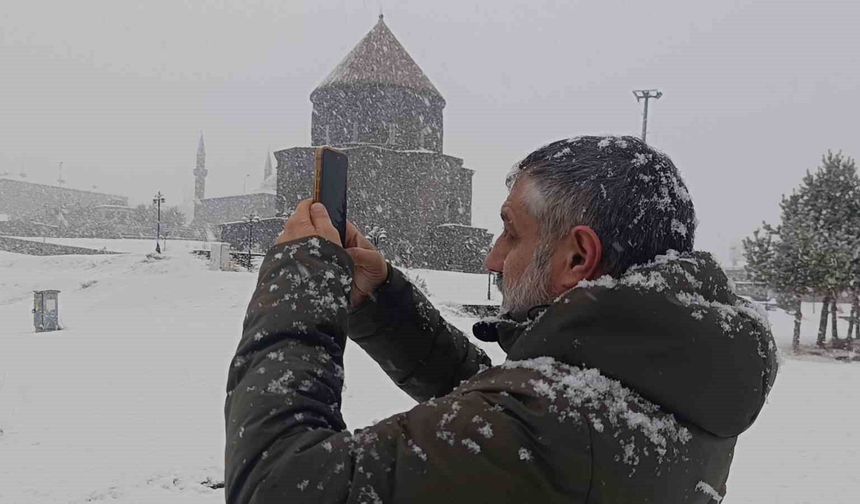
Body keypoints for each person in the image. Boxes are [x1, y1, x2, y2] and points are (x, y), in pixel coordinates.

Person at [224, 135, 777, 503]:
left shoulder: (556, 425)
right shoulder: (670, 381)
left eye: (511, 231)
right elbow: (510, 418)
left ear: (578, 258)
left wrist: (300, 282)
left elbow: (278, 484)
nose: (493, 257)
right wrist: (382, 301)